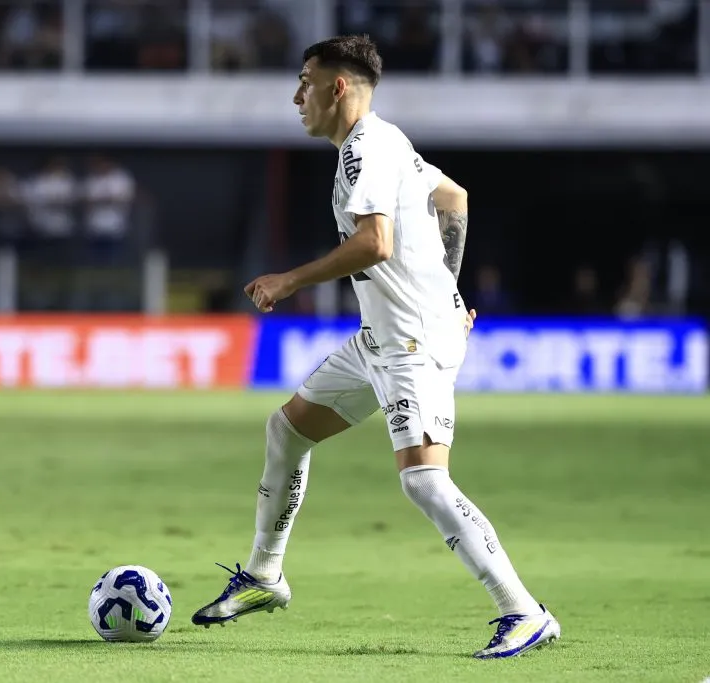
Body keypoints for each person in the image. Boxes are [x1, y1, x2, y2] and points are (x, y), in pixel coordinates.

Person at [190, 34, 560, 659]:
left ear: (338, 86)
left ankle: (524, 612)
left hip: (412, 341)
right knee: (287, 430)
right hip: (383, 339)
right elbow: (453, 199)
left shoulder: (365, 148)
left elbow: (374, 244)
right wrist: (445, 288)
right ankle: (264, 575)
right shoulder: (388, 141)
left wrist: (289, 279)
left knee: (423, 481)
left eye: (306, 80)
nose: (296, 94)